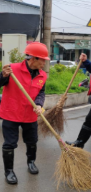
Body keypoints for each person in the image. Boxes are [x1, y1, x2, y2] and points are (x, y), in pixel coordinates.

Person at [0, 42, 49, 185]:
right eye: (43, 60)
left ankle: (31, 162)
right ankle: (9, 171)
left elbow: (41, 92)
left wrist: (39, 104)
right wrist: (3, 75)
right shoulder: (12, 69)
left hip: (30, 115)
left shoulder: (43, 75)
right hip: (11, 113)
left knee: (32, 141)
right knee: (9, 144)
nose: (45, 63)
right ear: (33, 59)